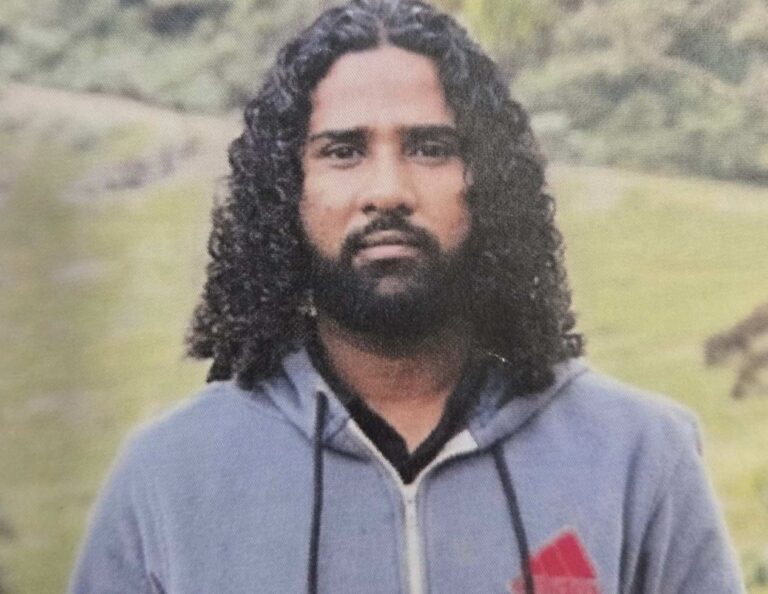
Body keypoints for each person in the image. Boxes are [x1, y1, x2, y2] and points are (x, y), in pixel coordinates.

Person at [70, 1, 746, 592]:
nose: (388, 190)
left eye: (429, 148)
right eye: (343, 151)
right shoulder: (168, 475)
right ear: (285, 191)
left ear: (488, 180)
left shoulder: (638, 457)